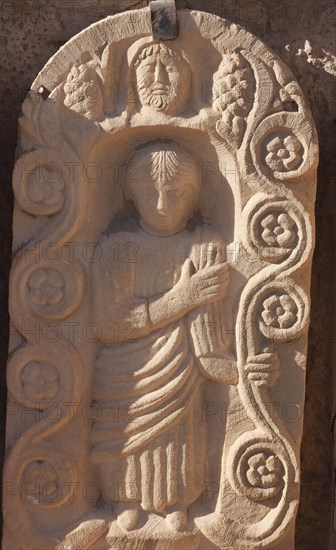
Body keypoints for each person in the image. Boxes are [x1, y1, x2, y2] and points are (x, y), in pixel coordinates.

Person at [90, 139, 235, 533]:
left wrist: (242, 372)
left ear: (194, 194)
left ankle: (177, 504)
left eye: (175, 193)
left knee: (179, 438)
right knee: (126, 439)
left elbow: (210, 340)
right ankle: (124, 501)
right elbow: (109, 325)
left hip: (182, 373)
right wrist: (181, 297)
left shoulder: (205, 246)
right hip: (127, 373)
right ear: (130, 192)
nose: (162, 203)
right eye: (151, 192)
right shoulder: (117, 249)